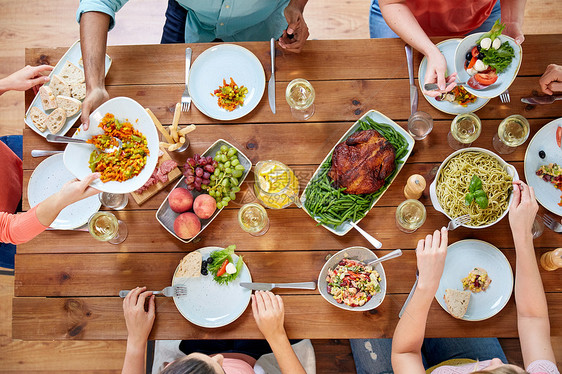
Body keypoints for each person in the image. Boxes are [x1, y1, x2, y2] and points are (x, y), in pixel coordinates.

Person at [352, 181, 558, 374]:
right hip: (457, 360)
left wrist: (426, 285)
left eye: (490, 368)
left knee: (362, 317)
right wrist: (522, 233)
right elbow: (533, 317)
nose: (496, 360)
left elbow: (405, 353)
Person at [75, 0, 310, 129]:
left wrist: (296, 6)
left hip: (263, 24)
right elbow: (97, 2)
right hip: (191, 18)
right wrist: (95, 86)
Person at [122, 288, 308, 374]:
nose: (219, 357)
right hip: (253, 352)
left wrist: (136, 340)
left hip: (200, 342)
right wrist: (276, 335)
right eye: (220, 368)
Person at [370, 0, 526, 97]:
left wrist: (511, 22)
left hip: (479, 13)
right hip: (404, 13)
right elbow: (391, 3)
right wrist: (430, 51)